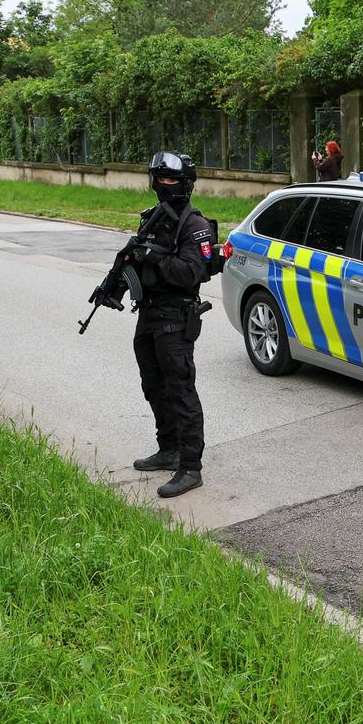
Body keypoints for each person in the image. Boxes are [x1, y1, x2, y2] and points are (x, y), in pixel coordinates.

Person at [129, 151, 222, 498]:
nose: (163, 185)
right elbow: (139, 262)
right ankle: (167, 448)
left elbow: (189, 273)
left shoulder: (194, 226)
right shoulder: (151, 219)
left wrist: (151, 255)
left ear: (184, 184)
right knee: (152, 385)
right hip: (148, 315)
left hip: (175, 318)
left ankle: (190, 467)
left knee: (180, 391)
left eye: (170, 180)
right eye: (159, 179)